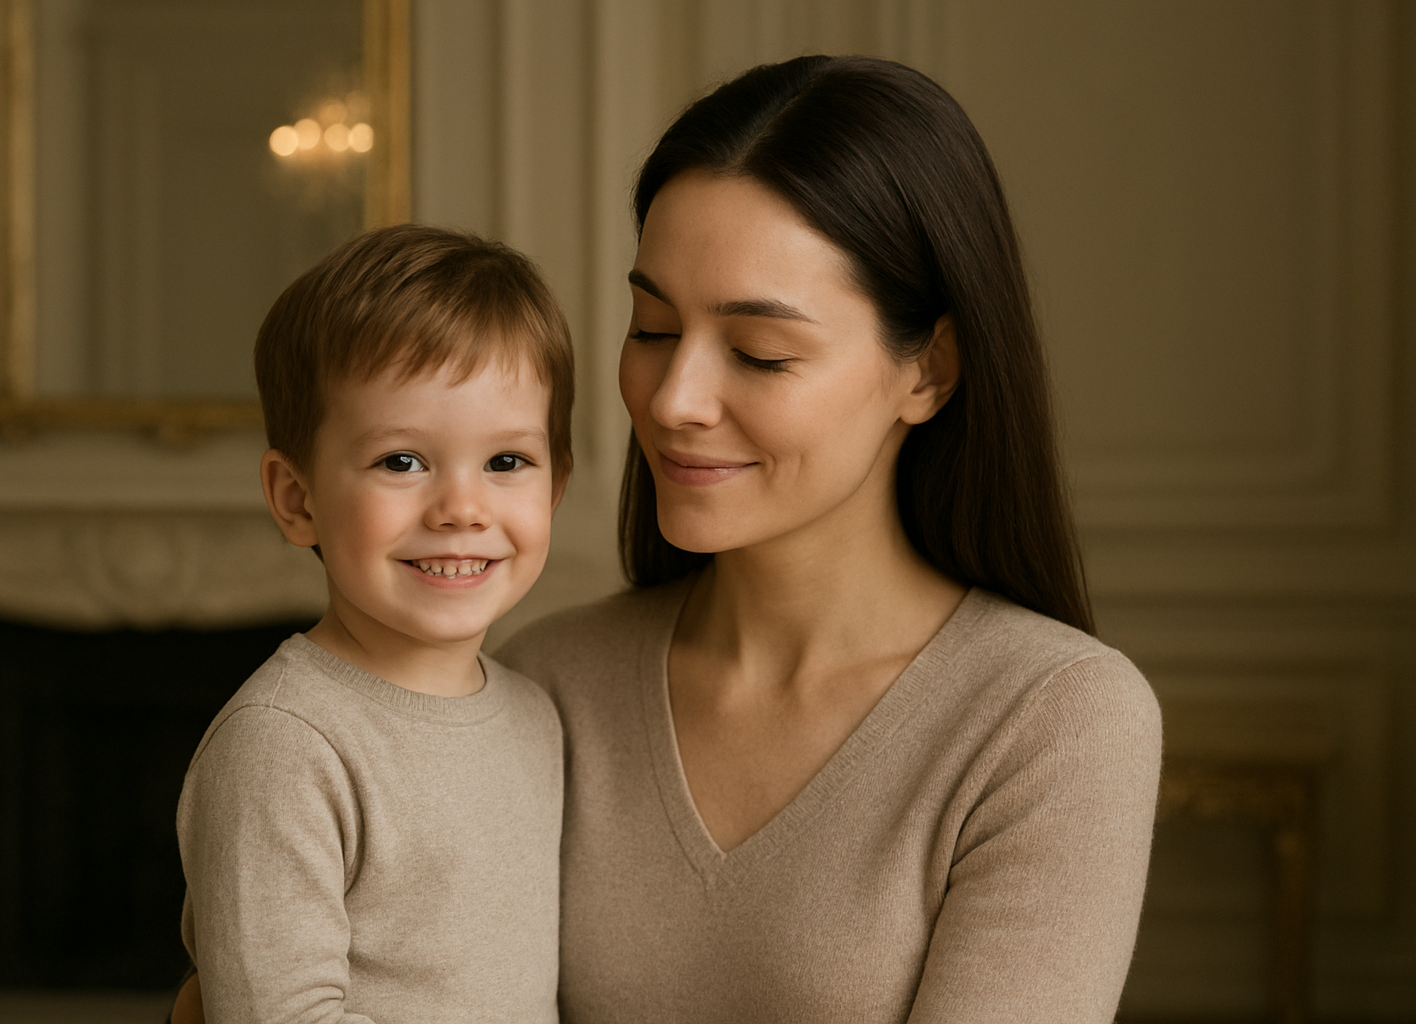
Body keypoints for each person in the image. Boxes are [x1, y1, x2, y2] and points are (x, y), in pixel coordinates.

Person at [175, 53, 1160, 1024]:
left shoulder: (1054, 719)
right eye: (651, 327)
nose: (673, 401)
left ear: (928, 371)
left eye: (759, 352)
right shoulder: (546, 683)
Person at [176, 224, 574, 1024]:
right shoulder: (285, 745)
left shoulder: (536, 713)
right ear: (297, 499)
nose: (462, 508)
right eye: (402, 461)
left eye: (506, 463)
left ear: (556, 487)